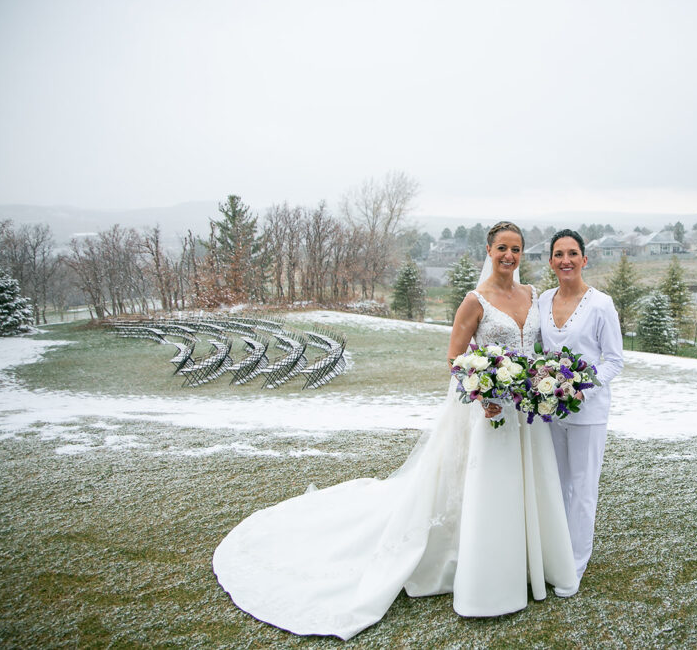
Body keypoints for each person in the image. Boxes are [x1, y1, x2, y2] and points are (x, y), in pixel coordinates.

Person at [213, 221, 576, 640]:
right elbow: (456, 358)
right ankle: (488, 576)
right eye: (501, 249)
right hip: (491, 412)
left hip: (527, 415)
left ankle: (533, 561)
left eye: (516, 249)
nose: (509, 256)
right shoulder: (476, 301)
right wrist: (483, 394)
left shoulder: (531, 295)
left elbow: (539, 349)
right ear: (489, 251)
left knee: (528, 484)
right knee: (491, 487)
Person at [537, 229, 624, 586]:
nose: (566, 260)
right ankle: (554, 555)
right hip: (548, 409)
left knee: (583, 488)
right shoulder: (542, 300)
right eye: (559, 254)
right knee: (556, 485)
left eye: (573, 253)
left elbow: (615, 360)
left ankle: (573, 566)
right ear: (551, 261)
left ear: (584, 259)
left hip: (588, 411)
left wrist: (581, 389)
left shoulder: (601, 304)